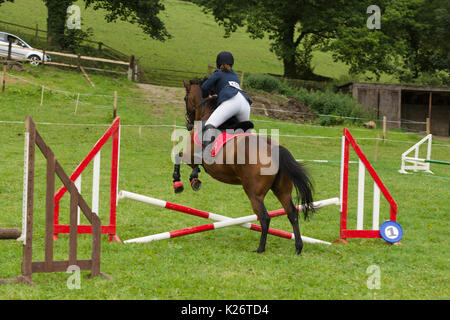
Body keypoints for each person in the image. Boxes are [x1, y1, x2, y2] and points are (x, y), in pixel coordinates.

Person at [200, 51, 252, 149]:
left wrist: (206, 97)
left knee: (208, 126)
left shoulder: (218, 73)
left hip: (232, 102)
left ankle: (207, 156)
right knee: (245, 134)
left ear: (218, 63)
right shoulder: (235, 76)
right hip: (245, 102)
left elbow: (204, 87)